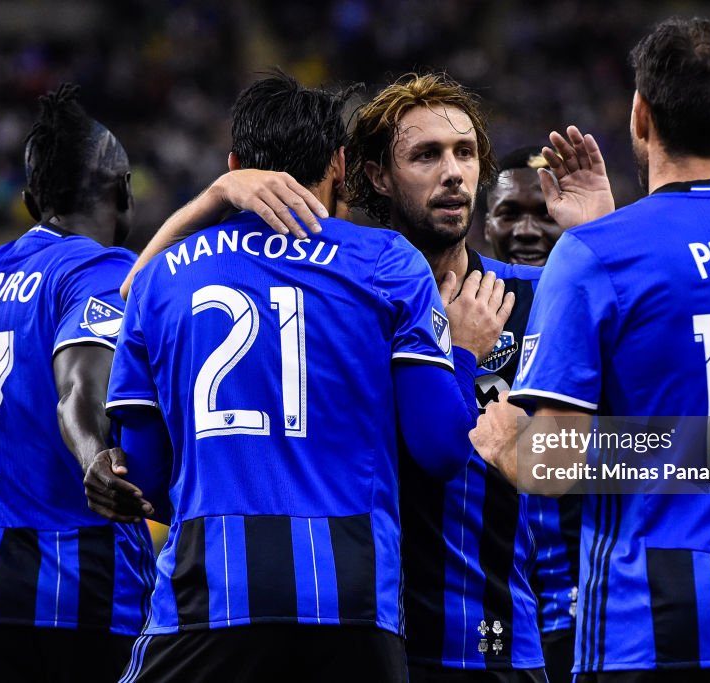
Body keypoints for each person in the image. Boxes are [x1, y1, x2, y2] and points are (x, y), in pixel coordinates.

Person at [121, 72, 613, 682]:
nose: (453, 171)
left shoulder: (531, 300)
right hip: (364, 630)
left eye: (465, 153)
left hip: (485, 646)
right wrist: (222, 193)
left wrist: (598, 244)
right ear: (372, 173)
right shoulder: (358, 285)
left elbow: (654, 435)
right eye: (427, 155)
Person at [472, 16, 710, 683]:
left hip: (653, 623)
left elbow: (556, 464)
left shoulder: (597, 256)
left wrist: (507, 445)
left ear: (640, 115)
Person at [0, 83, 154, 682]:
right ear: (123, 192)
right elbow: (77, 390)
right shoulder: (101, 269)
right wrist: (94, 457)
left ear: (32, 201)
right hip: (87, 607)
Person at [485, 147, 583, 683]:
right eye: (508, 214)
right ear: (484, 223)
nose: (525, 230)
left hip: (582, 594)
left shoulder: (604, 310)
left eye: (543, 213)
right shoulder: (453, 311)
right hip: (488, 593)